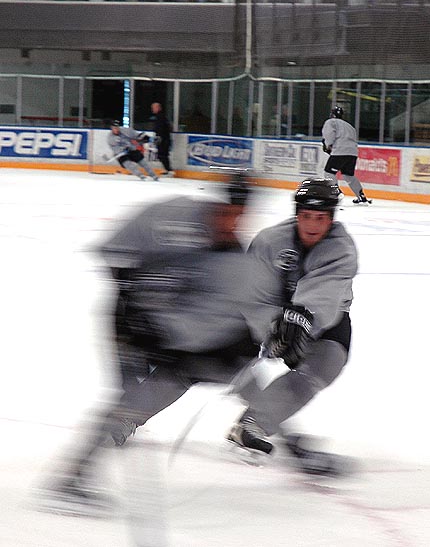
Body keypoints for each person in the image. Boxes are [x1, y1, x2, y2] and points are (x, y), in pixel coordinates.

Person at [36, 173, 284, 515]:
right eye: (228, 211)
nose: (231, 222)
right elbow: (114, 252)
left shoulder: (232, 258)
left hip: (178, 345)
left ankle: (289, 440)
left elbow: (230, 313)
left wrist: (243, 340)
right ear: (217, 203)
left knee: (242, 378)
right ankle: (73, 478)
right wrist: (135, 310)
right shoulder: (171, 215)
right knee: (128, 402)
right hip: (131, 320)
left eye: (240, 215)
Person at [228, 177, 359, 474]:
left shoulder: (343, 250)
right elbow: (251, 295)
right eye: (306, 217)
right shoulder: (269, 241)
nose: (312, 225)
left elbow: (322, 298)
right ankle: (129, 415)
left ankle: (255, 423)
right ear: (296, 214)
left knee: (327, 363)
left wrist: (300, 322)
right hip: (271, 315)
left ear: (332, 218)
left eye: (321, 218)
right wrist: (271, 327)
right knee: (223, 362)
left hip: (325, 322)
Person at [322, 106, 372, 204]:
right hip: (352, 153)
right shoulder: (349, 126)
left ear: (332, 114)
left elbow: (329, 135)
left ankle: (335, 193)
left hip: (340, 151)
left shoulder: (331, 122)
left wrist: (328, 145)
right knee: (348, 175)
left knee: (329, 172)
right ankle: (361, 196)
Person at [151, 102, 173, 175]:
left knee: (162, 155)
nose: (153, 109)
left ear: (158, 108)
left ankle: (169, 170)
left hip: (163, 139)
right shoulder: (160, 116)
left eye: (154, 108)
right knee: (162, 155)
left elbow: (161, 128)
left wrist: (159, 136)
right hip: (163, 138)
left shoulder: (160, 117)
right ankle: (167, 169)